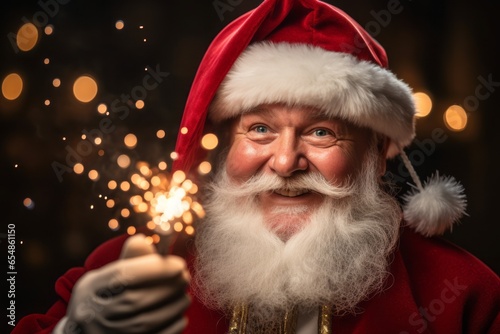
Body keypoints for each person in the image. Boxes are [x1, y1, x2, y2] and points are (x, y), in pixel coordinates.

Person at [14, 0, 500, 333]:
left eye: (321, 132)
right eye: (260, 129)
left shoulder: (463, 296)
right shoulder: (128, 271)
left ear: (377, 155)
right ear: (226, 146)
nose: (285, 162)